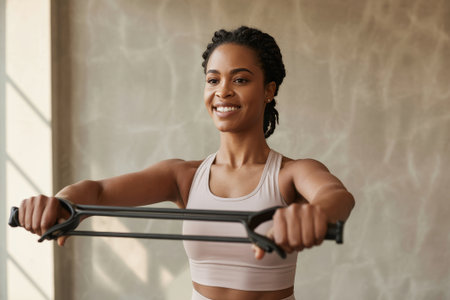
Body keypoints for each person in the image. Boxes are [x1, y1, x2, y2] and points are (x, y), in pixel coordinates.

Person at [18, 26, 355, 300]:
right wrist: (58, 203)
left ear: (269, 90)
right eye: (213, 79)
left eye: (240, 79)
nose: (223, 91)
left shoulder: (291, 174)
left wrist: (315, 215)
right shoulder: (184, 176)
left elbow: (336, 196)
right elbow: (100, 192)